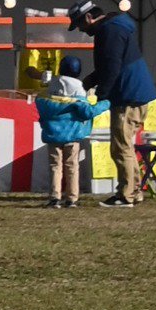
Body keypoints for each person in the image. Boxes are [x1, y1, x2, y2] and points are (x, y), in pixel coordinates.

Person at [87, 0, 156, 205]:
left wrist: (101, 94)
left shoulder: (109, 31)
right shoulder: (117, 26)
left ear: (89, 17)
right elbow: (111, 65)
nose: (82, 30)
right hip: (135, 93)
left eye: (81, 24)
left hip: (128, 95)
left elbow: (112, 66)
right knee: (125, 146)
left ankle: (126, 194)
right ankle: (133, 192)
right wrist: (92, 79)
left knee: (121, 148)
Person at [32, 58, 98, 210]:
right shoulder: (80, 88)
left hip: (54, 133)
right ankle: (72, 199)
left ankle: (55, 198)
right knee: (72, 166)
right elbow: (84, 111)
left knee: (55, 166)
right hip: (72, 134)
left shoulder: (53, 84)